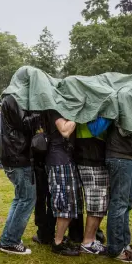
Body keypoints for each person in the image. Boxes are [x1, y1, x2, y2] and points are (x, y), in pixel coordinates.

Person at [0, 94, 40, 255]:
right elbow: (23, 124)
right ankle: (9, 241)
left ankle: (10, 237)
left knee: (20, 198)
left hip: (14, 155)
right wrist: (40, 113)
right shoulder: (12, 99)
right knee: (27, 199)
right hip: (17, 156)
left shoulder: (10, 99)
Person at [43, 110, 83, 256]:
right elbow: (65, 131)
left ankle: (59, 239)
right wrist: (80, 114)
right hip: (59, 161)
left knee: (69, 203)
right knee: (64, 203)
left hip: (63, 159)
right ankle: (58, 243)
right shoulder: (54, 110)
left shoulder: (58, 108)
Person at [106, 124, 132, 263]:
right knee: (119, 204)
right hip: (120, 157)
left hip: (127, 157)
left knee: (126, 203)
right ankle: (115, 249)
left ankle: (124, 244)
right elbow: (126, 128)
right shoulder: (124, 104)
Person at [74, 122, 109, 255]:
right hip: (89, 154)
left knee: (101, 202)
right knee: (96, 201)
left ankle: (92, 239)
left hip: (94, 154)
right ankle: (87, 242)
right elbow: (96, 129)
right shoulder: (93, 106)